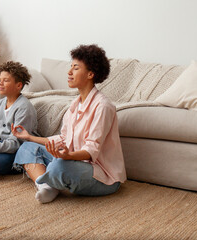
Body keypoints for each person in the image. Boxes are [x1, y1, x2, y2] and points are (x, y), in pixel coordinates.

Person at [11, 44, 127, 204]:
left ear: (90, 74)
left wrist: (67, 156)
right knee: (26, 148)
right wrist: (29, 137)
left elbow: (91, 149)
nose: (69, 72)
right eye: (70, 67)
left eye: (75, 68)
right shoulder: (74, 105)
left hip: (101, 175)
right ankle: (46, 186)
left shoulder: (103, 106)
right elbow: (63, 139)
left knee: (59, 166)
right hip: (72, 161)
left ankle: (50, 181)